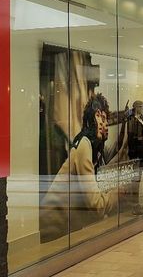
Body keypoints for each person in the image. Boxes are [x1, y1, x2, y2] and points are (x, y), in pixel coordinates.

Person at [40, 93, 118, 242]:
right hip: (52, 229)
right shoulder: (84, 144)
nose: (104, 124)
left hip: (62, 229)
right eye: (99, 116)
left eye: (105, 118)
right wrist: (117, 194)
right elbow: (96, 205)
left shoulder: (93, 150)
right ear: (91, 119)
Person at [127, 100, 143, 215]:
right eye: (141, 107)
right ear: (136, 107)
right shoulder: (132, 121)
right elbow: (131, 139)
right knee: (136, 180)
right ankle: (135, 205)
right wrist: (134, 154)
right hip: (137, 154)